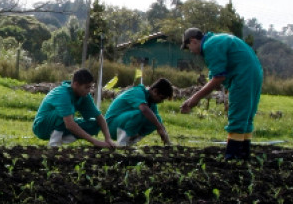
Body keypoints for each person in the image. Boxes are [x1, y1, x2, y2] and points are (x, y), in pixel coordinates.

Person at [179, 28, 263, 160]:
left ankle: (232, 157)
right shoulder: (216, 41)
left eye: (188, 47)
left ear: (193, 41)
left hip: (243, 76)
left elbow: (218, 78)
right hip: (254, 72)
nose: (190, 51)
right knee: (246, 116)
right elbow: (214, 78)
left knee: (238, 115)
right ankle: (243, 156)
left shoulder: (210, 46)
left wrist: (194, 99)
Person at [32, 68, 116, 148]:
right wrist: (95, 142)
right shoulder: (62, 94)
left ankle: (61, 139)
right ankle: (54, 144)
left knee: (96, 124)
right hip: (42, 127)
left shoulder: (84, 96)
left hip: (63, 124)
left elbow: (99, 117)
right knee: (64, 115)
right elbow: (69, 124)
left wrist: (108, 139)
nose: (89, 90)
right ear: (76, 84)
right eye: (86, 87)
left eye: (90, 87)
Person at [105, 78, 174, 147]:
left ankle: (128, 144)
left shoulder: (151, 102)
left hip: (121, 125)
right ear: (155, 91)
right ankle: (122, 143)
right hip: (111, 126)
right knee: (142, 114)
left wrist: (167, 141)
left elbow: (158, 122)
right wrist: (159, 127)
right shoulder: (138, 92)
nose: (161, 101)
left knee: (156, 119)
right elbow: (144, 109)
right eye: (161, 98)